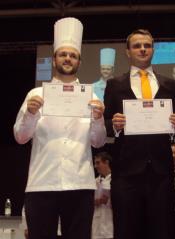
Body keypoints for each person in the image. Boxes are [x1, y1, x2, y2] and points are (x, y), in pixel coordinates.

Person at [14, 17, 106, 239]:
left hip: (80, 184)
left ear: (79, 63)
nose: (68, 58)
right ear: (54, 59)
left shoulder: (91, 97)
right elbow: (20, 137)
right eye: (63, 54)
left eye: (73, 55)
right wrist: (31, 114)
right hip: (42, 183)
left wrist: (99, 119)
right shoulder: (35, 95)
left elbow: (99, 142)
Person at [103, 29, 175, 239]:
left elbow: (174, 123)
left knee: (162, 230)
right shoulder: (114, 84)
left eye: (147, 45)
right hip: (126, 172)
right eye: (137, 46)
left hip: (161, 172)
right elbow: (105, 123)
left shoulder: (169, 85)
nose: (143, 49)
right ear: (128, 52)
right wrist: (115, 124)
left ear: (153, 49)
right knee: (126, 230)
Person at [92, 152, 113, 239]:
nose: (95, 166)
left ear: (106, 162)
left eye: (98, 162)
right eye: (95, 163)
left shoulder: (116, 180)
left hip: (111, 224)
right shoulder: (93, 182)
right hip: (96, 226)